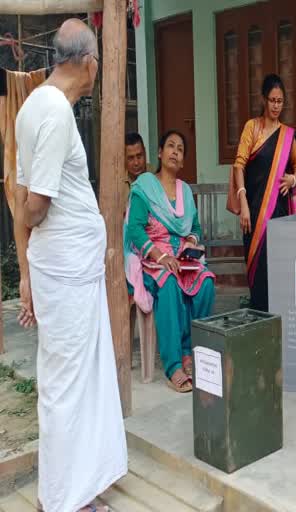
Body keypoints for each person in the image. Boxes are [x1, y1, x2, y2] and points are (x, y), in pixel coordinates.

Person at [13, 18, 127, 512]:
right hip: (66, 269)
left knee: (76, 378)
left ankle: (74, 488)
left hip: (61, 269)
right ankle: (63, 499)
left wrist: (24, 272)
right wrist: (31, 240)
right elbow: (31, 203)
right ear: (89, 62)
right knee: (69, 383)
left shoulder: (32, 104)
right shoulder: (56, 112)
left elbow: (16, 192)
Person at [124, 130, 216, 392]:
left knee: (206, 283)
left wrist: (191, 240)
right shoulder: (144, 186)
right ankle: (174, 364)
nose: (175, 151)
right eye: (171, 146)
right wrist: (161, 256)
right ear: (160, 153)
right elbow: (134, 230)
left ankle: (192, 353)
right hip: (153, 260)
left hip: (182, 260)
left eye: (180, 149)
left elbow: (196, 227)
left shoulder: (185, 191)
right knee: (170, 285)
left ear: (183, 160)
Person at [231, 74, 296, 311]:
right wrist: (242, 203)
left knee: (278, 270)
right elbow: (239, 165)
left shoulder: (287, 135)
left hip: (279, 214)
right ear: (264, 100)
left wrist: (293, 178)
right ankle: (259, 320)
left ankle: (279, 322)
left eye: (280, 101)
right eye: (272, 100)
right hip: (252, 213)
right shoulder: (252, 128)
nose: (275, 106)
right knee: (257, 272)